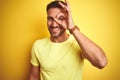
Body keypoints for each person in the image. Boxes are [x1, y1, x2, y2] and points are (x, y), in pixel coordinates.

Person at [28, 0, 107, 80]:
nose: (54, 24)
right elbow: (33, 77)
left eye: (60, 18)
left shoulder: (78, 43)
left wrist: (72, 28)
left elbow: (101, 62)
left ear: (67, 19)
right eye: (50, 19)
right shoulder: (38, 45)